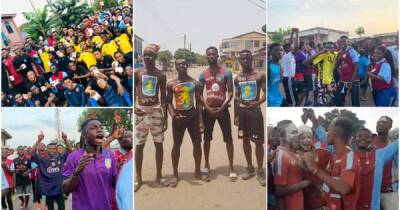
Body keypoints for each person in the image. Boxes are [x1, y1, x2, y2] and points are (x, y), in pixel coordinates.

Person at [303, 117, 361, 210]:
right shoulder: (334, 156)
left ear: (334, 133)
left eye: (328, 130)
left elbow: (344, 188)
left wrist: (315, 169)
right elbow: (331, 182)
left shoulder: (349, 157)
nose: (327, 133)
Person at [198, 46, 236, 181]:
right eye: (209, 54)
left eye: (214, 54)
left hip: (222, 109)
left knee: (229, 139)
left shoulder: (226, 73)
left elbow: (231, 92)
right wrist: (206, 107)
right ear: (206, 56)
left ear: (217, 55)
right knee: (206, 139)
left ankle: (231, 167)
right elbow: (199, 94)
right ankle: (207, 165)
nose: (211, 56)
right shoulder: (203, 74)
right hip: (208, 110)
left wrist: (223, 107)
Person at [62, 119, 117, 210]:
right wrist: (76, 173)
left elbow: (114, 184)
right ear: (84, 135)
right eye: (93, 128)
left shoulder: (110, 155)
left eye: (101, 128)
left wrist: (121, 170)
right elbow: (65, 189)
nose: (99, 130)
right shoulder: (73, 157)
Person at [134, 44, 167, 192]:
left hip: (155, 111)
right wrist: (134, 108)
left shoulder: (160, 75)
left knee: (158, 144)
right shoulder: (137, 73)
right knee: (139, 145)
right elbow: (132, 91)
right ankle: (139, 179)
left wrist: (165, 116)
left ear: (155, 57)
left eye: (150, 55)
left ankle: (159, 176)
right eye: (145, 54)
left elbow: (164, 97)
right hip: (141, 111)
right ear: (142, 56)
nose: (147, 57)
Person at [167, 58, 204, 187]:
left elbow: (199, 103)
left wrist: (200, 122)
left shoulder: (195, 83)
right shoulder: (171, 84)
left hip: (192, 116)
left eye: (183, 64)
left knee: (197, 144)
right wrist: (173, 116)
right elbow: (168, 102)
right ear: (175, 67)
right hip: (178, 118)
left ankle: (198, 170)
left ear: (187, 65)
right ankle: (175, 174)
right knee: (176, 145)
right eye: (178, 64)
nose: (181, 66)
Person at [234, 50, 266, 186]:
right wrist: (235, 115)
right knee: (245, 140)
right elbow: (236, 96)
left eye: (247, 58)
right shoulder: (238, 78)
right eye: (242, 59)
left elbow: (265, 94)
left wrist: (256, 103)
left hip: (255, 112)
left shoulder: (259, 75)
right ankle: (250, 167)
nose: (245, 61)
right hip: (242, 112)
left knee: (258, 142)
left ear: (252, 59)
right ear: (239, 60)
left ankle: (260, 170)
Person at [272, 121, 310, 210]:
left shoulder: (293, 153)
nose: (297, 135)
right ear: (282, 136)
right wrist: (304, 184)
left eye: (297, 131)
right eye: (293, 132)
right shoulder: (281, 156)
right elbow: (279, 190)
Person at [32, 131, 72, 210]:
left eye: (54, 148)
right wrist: (38, 140)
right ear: (47, 150)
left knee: (61, 208)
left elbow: (70, 151)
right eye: (49, 148)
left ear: (56, 150)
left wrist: (65, 139)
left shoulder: (60, 157)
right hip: (48, 190)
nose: (52, 150)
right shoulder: (42, 159)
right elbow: (32, 152)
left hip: (59, 188)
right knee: (50, 208)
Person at [372, 116, 398, 210]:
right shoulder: (368, 143)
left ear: (390, 126)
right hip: (371, 192)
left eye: (384, 122)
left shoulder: (395, 145)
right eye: (379, 121)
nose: (380, 123)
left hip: (389, 192)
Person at [334, 36, 360, 106]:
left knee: (355, 102)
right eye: (340, 41)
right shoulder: (340, 52)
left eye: (344, 41)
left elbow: (356, 67)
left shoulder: (352, 51)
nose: (342, 43)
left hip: (353, 81)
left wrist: (351, 83)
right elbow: (336, 66)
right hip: (343, 80)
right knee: (338, 98)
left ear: (347, 42)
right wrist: (339, 59)